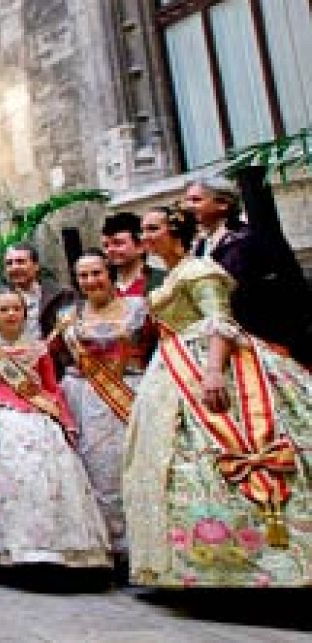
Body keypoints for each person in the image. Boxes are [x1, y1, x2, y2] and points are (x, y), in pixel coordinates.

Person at [123, 205, 312, 587]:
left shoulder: (199, 270)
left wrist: (212, 373)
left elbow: (221, 323)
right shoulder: (171, 274)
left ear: (175, 232)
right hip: (174, 367)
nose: (145, 237)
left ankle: (271, 559)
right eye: (143, 230)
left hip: (211, 362)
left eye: (152, 228)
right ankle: (197, 562)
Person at [0, 291, 110, 568]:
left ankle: (60, 546)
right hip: (2, 415)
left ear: (25, 314)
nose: (11, 314)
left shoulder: (39, 348)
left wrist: (65, 420)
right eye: (4, 310)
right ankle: (18, 548)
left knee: (55, 473)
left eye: (16, 309)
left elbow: (51, 388)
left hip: (40, 416)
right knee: (15, 476)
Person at [52, 250, 155, 558]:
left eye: (96, 273)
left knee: (123, 467)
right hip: (80, 396)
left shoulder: (139, 308)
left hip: (125, 394)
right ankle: (101, 546)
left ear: (109, 274)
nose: (90, 281)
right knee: (88, 471)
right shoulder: (69, 315)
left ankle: (135, 549)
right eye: (83, 276)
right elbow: (49, 351)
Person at [184, 176, 311, 364]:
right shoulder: (201, 245)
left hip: (264, 340)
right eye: (187, 200)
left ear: (222, 204)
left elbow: (278, 291)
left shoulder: (247, 240)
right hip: (224, 340)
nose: (188, 207)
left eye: (196, 200)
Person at [3, 243, 76, 342]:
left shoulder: (61, 295)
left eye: (20, 262)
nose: (14, 267)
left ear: (36, 266)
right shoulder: (0, 302)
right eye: (9, 263)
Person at [101, 212, 164, 300]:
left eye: (118, 243)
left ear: (140, 246)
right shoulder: (106, 287)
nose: (110, 250)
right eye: (106, 245)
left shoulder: (163, 281)